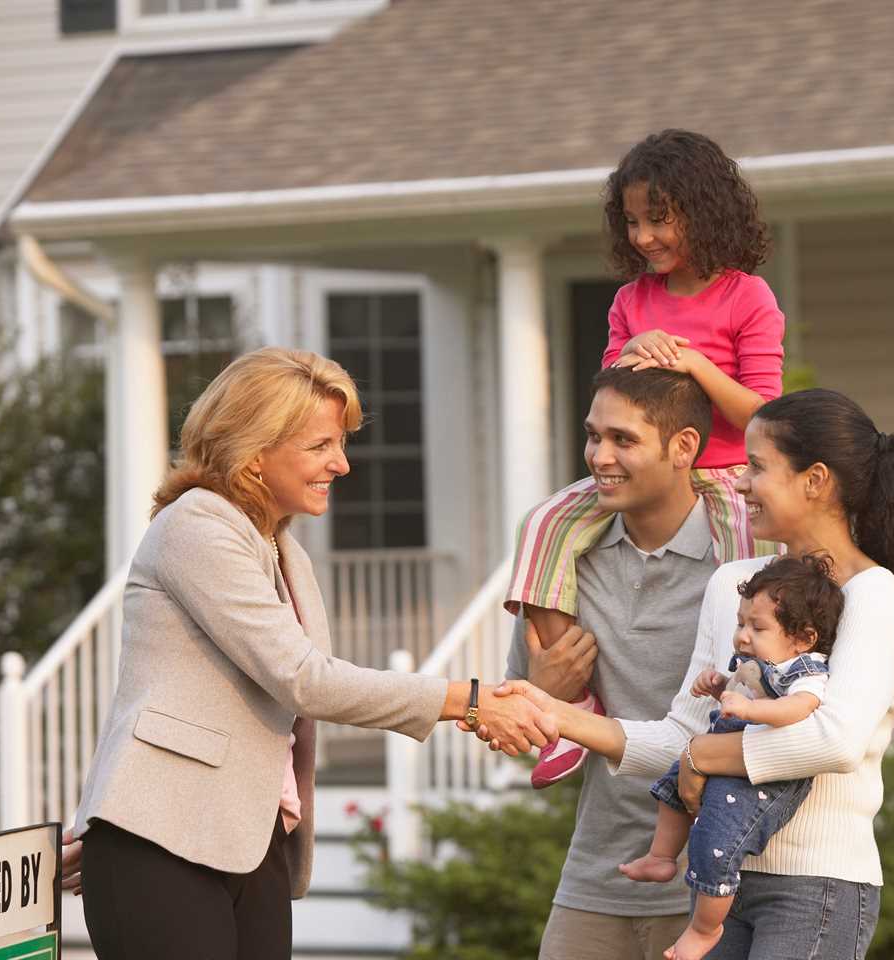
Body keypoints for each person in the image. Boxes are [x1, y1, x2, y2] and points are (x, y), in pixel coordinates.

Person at [57, 347, 555, 960]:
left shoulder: (283, 551)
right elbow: (304, 679)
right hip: (162, 839)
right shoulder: (197, 526)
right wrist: (468, 702)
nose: (341, 465)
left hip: (248, 836)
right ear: (255, 448)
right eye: (321, 446)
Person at [489, 388, 894, 960]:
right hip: (721, 886)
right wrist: (553, 713)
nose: (739, 483)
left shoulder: (873, 594)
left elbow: (835, 740)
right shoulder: (735, 583)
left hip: (819, 888)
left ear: (815, 480)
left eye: (756, 467)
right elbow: (683, 735)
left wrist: (702, 757)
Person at [508, 128, 786, 789]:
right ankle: (570, 698)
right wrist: (639, 350)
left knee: (747, 572)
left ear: (704, 210)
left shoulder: (748, 296)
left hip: (720, 474)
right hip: (643, 470)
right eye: (632, 221)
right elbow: (612, 393)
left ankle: (739, 704)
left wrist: (693, 364)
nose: (643, 237)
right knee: (544, 522)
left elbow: (766, 415)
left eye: (658, 220)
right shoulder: (632, 301)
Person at [504, 365, 726, 960]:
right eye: (593, 435)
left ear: (683, 448)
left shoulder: (739, 569)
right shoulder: (565, 562)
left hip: (715, 886)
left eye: (623, 439)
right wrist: (541, 693)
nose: (599, 455)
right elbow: (511, 726)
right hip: (594, 881)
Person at [620, 556, 844, 960]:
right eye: (741, 623)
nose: (742, 636)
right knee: (671, 789)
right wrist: (718, 684)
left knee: (715, 844)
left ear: (804, 637)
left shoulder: (804, 671)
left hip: (761, 775)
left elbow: (798, 710)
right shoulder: (754, 662)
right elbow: (739, 688)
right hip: (725, 756)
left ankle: (704, 929)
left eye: (757, 628)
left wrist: (749, 710)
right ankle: (660, 856)